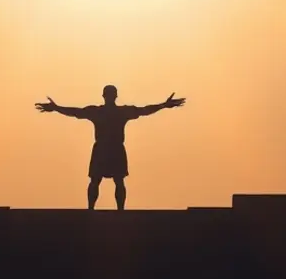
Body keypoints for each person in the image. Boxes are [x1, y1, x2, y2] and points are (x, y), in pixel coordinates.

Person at [35, 85, 185, 210]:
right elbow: (144, 110)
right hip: (106, 149)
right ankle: (100, 210)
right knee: (101, 180)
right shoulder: (110, 112)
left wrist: (56, 108)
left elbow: (76, 112)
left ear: (105, 96)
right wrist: (56, 108)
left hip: (111, 148)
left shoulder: (107, 112)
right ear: (114, 96)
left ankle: (106, 210)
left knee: (111, 180)